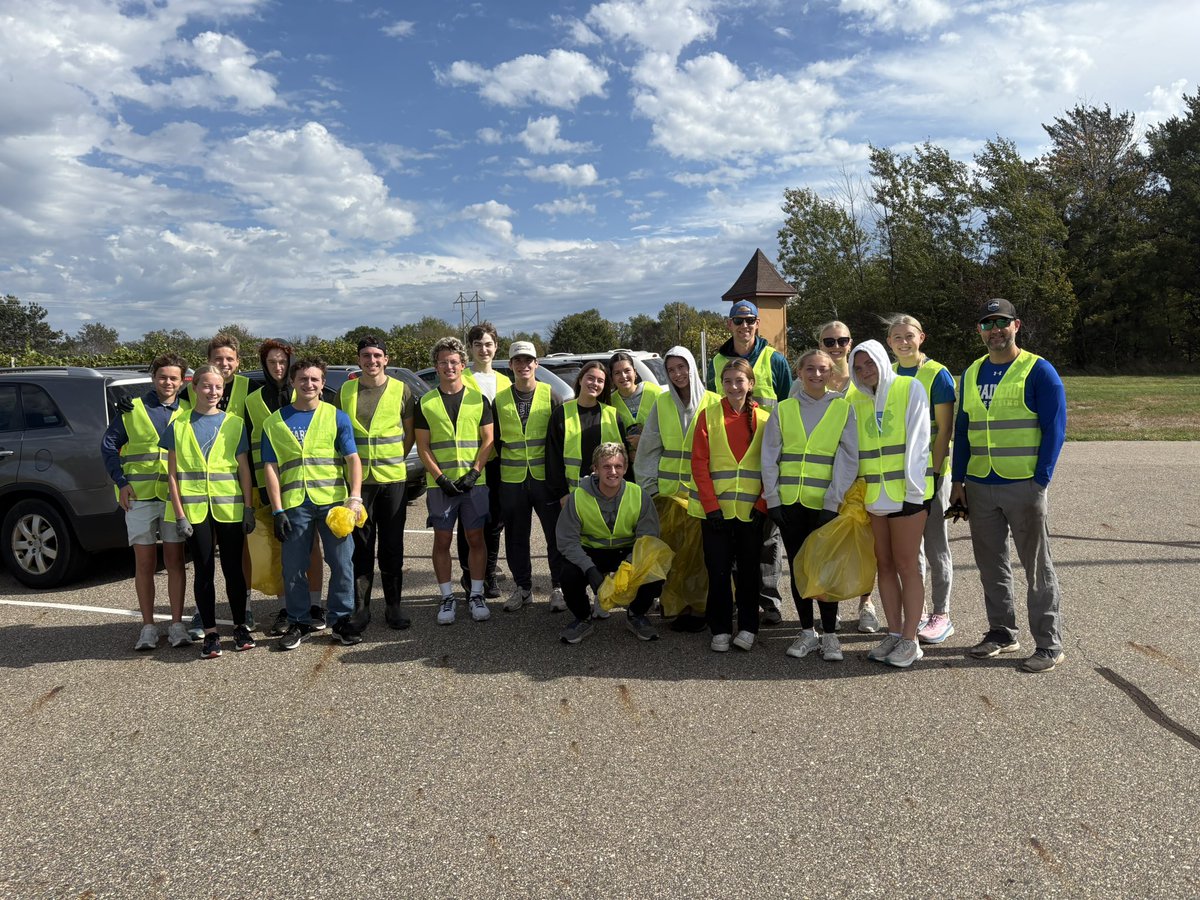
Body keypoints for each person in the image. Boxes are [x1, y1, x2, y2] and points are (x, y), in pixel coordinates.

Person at [951, 298, 1067, 673]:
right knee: (991, 563)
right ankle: (1002, 632)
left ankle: (1049, 644)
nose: (994, 330)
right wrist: (958, 480)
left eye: (1001, 322)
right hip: (981, 484)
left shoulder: (1038, 370)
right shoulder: (971, 373)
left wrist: (1041, 480)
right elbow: (964, 432)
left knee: (1037, 568)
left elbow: (1055, 429)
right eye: (987, 324)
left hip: (1023, 484)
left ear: (1016, 326)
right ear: (979, 331)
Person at [762, 349, 858, 661]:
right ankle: (807, 632)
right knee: (799, 568)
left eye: (823, 370)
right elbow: (770, 457)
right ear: (799, 373)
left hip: (825, 505)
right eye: (810, 370)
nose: (816, 376)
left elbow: (848, 459)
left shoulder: (843, 409)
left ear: (831, 374)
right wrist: (773, 499)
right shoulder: (783, 409)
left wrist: (834, 500)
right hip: (790, 504)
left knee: (825, 568)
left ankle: (829, 634)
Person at [262, 357, 364, 649]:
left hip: (334, 504)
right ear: (293, 382)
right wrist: (277, 509)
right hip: (294, 504)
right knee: (293, 567)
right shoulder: (274, 422)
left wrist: (354, 497)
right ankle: (298, 621)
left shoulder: (336, 416)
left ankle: (341, 619)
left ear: (322, 384)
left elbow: (352, 460)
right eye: (303, 379)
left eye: (315, 379)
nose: (309, 384)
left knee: (342, 563)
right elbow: (271, 468)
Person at [706, 300, 792, 625]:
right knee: (732, 540)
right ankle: (737, 601)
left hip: (767, 460)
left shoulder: (775, 361)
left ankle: (769, 600)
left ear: (758, 324)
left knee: (768, 540)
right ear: (729, 324)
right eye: (738, 320)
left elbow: (786, 409)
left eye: (750, 320)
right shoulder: (717, 362)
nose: (744, 326)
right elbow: (713, 407)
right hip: (731, 462)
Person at [849, 340, 933, 668]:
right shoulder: (854, 398)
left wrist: (913, 491)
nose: (865, 371)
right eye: (858, 367)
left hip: (907, 495)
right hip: (874, 496)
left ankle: (912, 640)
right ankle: (894, 633)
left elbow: (919, 440)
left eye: (869, 363)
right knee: (883, 565)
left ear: (882, 361)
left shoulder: (909, 388)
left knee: (907, 565)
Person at [163, 365, 256, 658]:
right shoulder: (178, 425)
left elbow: (243, 469)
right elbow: (173, 474)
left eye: (218, 387)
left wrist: (249, 507)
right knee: (204, 570)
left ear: (223, 391)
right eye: (206, 386)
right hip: (195, 511)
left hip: (229, 507)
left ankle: (241, 626)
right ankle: (211, 634)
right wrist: (179, 514)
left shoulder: (234, 423)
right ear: (194, 388)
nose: (212, 392)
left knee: (233, 570)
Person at [100, 353, 190, 651]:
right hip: (138, 497)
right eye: (163, 376)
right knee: (145, 563)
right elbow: (109, 446)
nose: (168, 382)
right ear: (153, 378)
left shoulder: (189, 410)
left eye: (173, 378)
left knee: (176, 562)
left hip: (173, 499)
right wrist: (121, 482)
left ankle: (177, 624)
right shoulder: (132, 408)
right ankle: (148, 627)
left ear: (181, 381)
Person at [244, 340, 325, 636]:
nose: (277, 368)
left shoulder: (305, 389)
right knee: (282, 550)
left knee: (312, 545)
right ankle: (286, 606)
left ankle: (315, 604)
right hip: (269, 486)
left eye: (282, 362)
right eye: (271, 362)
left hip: (306, 485)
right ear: (263, 365)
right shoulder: (252, 400)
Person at [634, 346, 718, 631]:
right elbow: (648, 449)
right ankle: (678, 606)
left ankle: (702, 608)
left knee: (701, 555)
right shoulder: (662, 403)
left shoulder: (713, 403)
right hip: (669, 495)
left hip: (702, 495)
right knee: (676, 553)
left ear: (692, 368)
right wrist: (650, 487)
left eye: (682, 367)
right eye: (671, 370)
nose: (678, 374)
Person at [886, 315, 957, 644]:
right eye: (897, 336)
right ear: (889, 342)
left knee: (935, 544)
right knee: (908, 548)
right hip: (897, 475)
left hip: (930, 474)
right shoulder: (887, 375)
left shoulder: (936, 374)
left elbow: (944, 429)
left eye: (909, 336)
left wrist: (937, 469)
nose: (903, 341)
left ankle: (941, 613)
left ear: (922, 338)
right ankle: (917, 612)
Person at [691, 358, 770, 652]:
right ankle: (720, 628)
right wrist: (711, 507)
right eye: (728, 381)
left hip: (751, 512)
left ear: (750, 384)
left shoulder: (765, 419)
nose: (734, 386)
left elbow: (771, 466)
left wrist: (762, 505)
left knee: (749, 572)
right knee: (718, 571)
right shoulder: (708, 416)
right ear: (721, 385)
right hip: (716, 513)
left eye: (740, 381)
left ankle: (749, 626)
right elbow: (699, 463)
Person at [415, 337, 495, 626]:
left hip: (475, 483)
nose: (449, 366)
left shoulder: (478, 399)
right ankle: (446, 596)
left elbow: (488, 439)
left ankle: (476, 594)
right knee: (442, 540)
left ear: (462, 365)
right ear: (436, 367)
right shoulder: (425, 402)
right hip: (442, 486)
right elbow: (422, 446)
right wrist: (440, 477)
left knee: (476, 539)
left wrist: (475, 472)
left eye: (454, 361)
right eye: (443, 362)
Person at [180, 333, 254, 638]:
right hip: (196, 500)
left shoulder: (250, 388)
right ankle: (203, 617)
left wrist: (249, 503)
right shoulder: (188, 396)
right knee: (204, 566)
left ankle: (243, 611)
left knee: (236, 563)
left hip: (232, 495)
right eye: (218, 359)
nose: (224, 364)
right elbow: (165, 395)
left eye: (229, 359)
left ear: (237, 362)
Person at [341, 335, 415, 631]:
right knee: (361, 545)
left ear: (386, 359)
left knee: (392, 545)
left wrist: (394, 457)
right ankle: (362, 608)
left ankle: (393, 606)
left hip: (393, 480)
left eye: (377, 356)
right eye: (366, 356)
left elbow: (408, 434)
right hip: (360, 485)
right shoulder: (346, 391)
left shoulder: (401, 390)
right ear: (358, 360)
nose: (371, 361)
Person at [554, 443, 663, 644]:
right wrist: (589, 569)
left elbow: (648, 539)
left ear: (626, 468)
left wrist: (628, 567)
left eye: (618, 466)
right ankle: (583, 617)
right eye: (606, 467)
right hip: (592, 552)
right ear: (595, 469)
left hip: (626, 552)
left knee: (654, 568)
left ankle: (636, 615)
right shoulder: (577, 497)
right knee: (568, 573)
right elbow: (567, 541)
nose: (613, 472)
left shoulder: (639, 495)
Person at [545, 360, 628, 619]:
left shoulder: (612, 415)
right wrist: (561, 493)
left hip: (606, 495)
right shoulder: (562, 413)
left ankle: (601, 598)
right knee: (572, 547)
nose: (594, 383)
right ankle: (574, 597)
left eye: (600, 381)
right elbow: (553, 457)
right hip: (571, 495)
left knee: (601, 544)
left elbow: (625, 458)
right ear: (580, 379)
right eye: (590, 378)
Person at [493, 341, 567, 612]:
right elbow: (495, 440)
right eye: (518, 361)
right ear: (510, 365)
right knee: (516, 536)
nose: (523, 366)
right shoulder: (499, 399)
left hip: (544, 479)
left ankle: (557, 587)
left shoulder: (551, 394)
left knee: (555, 535)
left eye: (528, 361)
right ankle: (523, 588)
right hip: (512, 480)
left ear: (536, 364)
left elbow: (560, 439)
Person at [818, 319, 880, 634]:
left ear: (850, 342)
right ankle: (830, 604)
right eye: (829, 342)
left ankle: (865, 603)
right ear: (821, 346)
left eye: (842, 341)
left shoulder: (865, 380)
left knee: (863, 544)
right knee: (829, 541)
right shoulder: (811, 378)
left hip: (863, 474)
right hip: (823, 475)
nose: (837, 347)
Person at [458, 322, 510, 599]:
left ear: (496, 347)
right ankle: (468, 575)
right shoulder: (462, 378)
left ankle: (489, 574)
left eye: (488, 344)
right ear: (471, 348)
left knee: (495, 522)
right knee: (469, 522)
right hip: (471, 460)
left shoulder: (505, 380)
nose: (484, 349)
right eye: (478, 344)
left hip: (499, 459)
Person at [608, 351, 663, 461]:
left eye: (627, 370)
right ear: (612, 378)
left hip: (657, 460)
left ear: (635, 372)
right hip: (628, 466)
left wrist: (644, 442)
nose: (623, 376)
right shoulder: (610, 402)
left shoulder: (655, 393)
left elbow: (669, 430)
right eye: (617, 373)